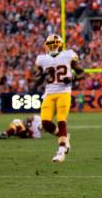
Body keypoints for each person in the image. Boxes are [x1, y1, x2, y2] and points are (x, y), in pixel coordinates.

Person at [35, 34, 84, 162]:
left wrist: (73, 78)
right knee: (45, 123)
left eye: (54, 45)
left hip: (64, 92)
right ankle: (64, 138)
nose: (52, 47)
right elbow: (37, 82)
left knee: (61, 120)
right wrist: (42, 76)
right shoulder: (42, 59)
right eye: (50, 45)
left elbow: (81, 72)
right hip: (49, 93)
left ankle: (61, 151)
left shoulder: (67, 55)